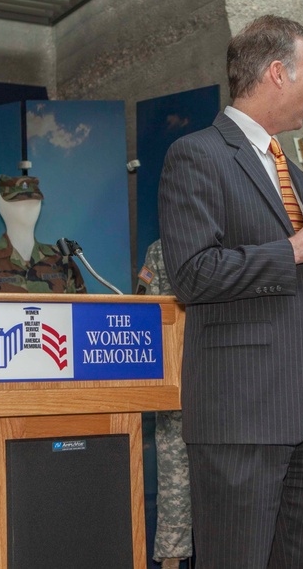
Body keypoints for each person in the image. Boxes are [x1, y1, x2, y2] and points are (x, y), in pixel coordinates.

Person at [158, 14, 303, 568]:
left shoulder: (290, 167)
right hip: (242, 410)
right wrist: (293, 250)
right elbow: (192, 275)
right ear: (276, 73)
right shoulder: (196, 154)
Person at [137, 239, 193, 569]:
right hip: (176, 385)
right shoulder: (161, 249)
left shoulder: (239, 240)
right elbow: (147, 312)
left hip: (230, 387)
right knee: (175, 491)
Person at [0, 174, 86, 293]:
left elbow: (84, 313)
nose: (28, 209)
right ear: (1, 205)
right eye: (18, 203)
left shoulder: (61, 260)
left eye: (34, 203)